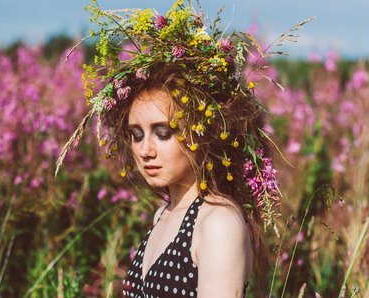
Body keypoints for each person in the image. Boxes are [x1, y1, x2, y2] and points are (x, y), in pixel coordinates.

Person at [56, 1, 289, 297]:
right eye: (137, 135)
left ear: (202, 135)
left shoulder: (218, 223)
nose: (145, 150)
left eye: (163, 133)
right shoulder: (163, 214)